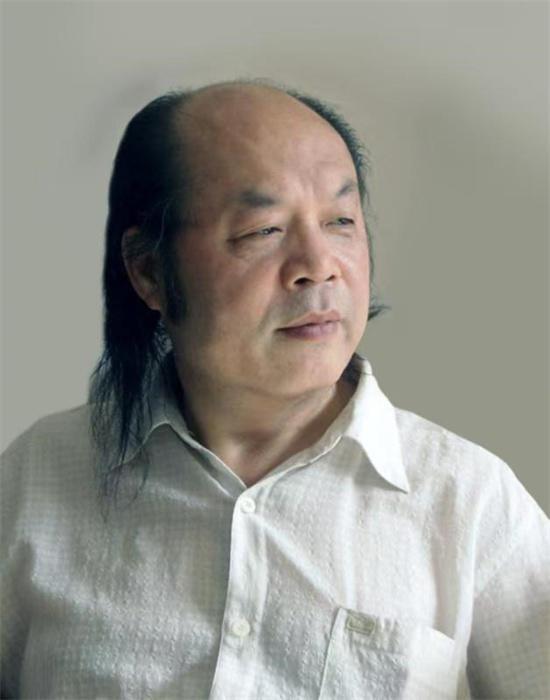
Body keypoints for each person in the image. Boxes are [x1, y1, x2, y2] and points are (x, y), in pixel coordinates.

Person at [1, 79, 548, 700]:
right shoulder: (36, 480)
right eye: (262, 230)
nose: (318, 265)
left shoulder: (469, 503)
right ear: (149, 270)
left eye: (341, 221)